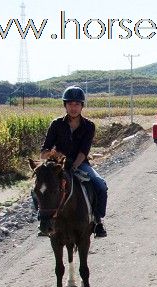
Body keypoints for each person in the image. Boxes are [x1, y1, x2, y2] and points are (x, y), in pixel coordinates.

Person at [39, 85, 108, 237]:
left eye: (77, 104)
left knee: (101, 186)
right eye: (70, 104)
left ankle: (97, 221)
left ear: (82, 106)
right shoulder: (56, 124)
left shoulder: (89, 126)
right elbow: (43, 152)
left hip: (79, 164)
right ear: (65, 105)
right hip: (57, 166)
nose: (73, 107)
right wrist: (53, 155)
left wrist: (74, 167)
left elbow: (84, 151)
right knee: (37, 189)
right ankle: (42, 221)